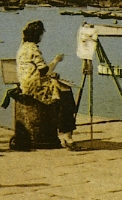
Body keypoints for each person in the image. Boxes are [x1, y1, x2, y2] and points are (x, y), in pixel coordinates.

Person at [16, 20, 77, 149]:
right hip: (35, 85)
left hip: (26, 82)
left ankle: (64, 133)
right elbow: (45, 70)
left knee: (62, 91)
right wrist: (56, 60)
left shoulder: (23, 46)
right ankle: (66, 134)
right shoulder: (33, 48)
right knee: (66, 95)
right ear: (37, 35)